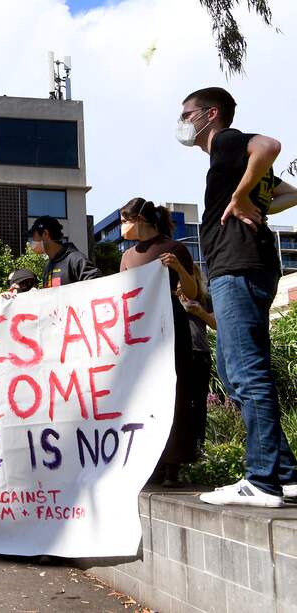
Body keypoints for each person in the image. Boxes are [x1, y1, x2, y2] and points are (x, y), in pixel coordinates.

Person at [178, 87, 297, 506]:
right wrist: (253, 197)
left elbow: (270, 145)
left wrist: (242, 196)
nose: (182, 122)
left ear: (210, 115)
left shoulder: (228, 141)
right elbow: (290, 194)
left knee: (246, 372)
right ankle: (284, 474)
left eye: (187, 113)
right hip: (248, 266)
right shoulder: (232, 160)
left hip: (238, 267)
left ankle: (262, 481)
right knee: (232, 370)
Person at [119, 197, 199, 487]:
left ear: (139, 220)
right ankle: (149, 462)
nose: (123, 227)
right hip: (141, 333)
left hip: (171, 329)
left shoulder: (174, 248)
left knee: (175, 393)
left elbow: (192, 291)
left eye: (125, 221)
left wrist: (178, 268)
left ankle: (173, 464)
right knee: (144, 395)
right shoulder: (127, 257)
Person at [179, 266, 216, 454]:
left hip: (200, 353)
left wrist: (199, 312)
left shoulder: (204, 298)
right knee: (180, 402)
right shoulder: (167, 297)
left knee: (199, 403)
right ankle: (181, 451)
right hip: (177, 355)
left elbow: (217, 324)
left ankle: (197, 448)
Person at [29, 216, 101, 288]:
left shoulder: (75, 259)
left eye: (33, 237)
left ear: (45, 234)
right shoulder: (48, 266)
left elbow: (97, 285)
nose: (31, 242)